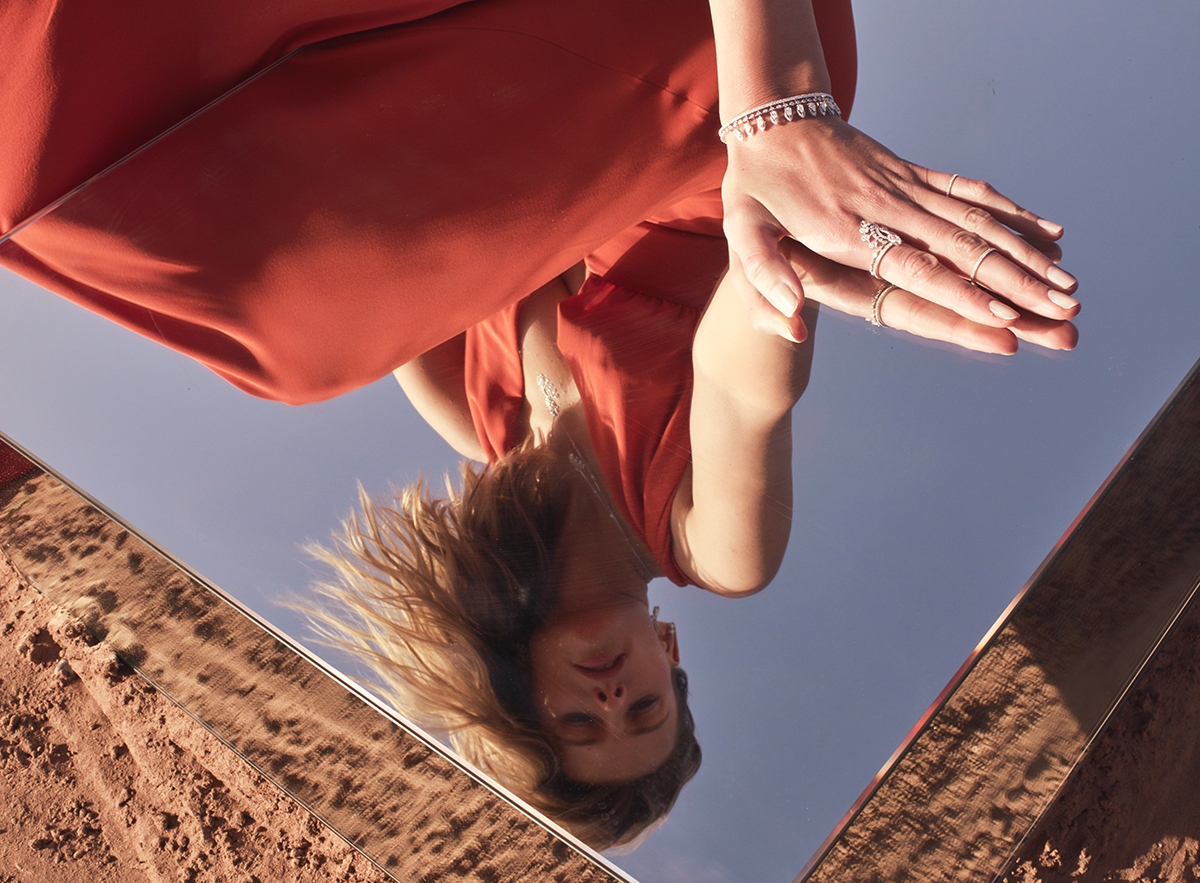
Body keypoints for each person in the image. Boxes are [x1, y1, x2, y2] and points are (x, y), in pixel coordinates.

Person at [0, 0, 1078, 851]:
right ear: (668, 653)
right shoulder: (711, 545)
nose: (612, 700)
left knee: (192, 272)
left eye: (579, 723)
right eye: (646, 710)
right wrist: (783, 248)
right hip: (709, 120)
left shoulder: (476, 418)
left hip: (493, 79)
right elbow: (749, 373)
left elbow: (326, 203)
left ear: (525, 691)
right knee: (298, 349)